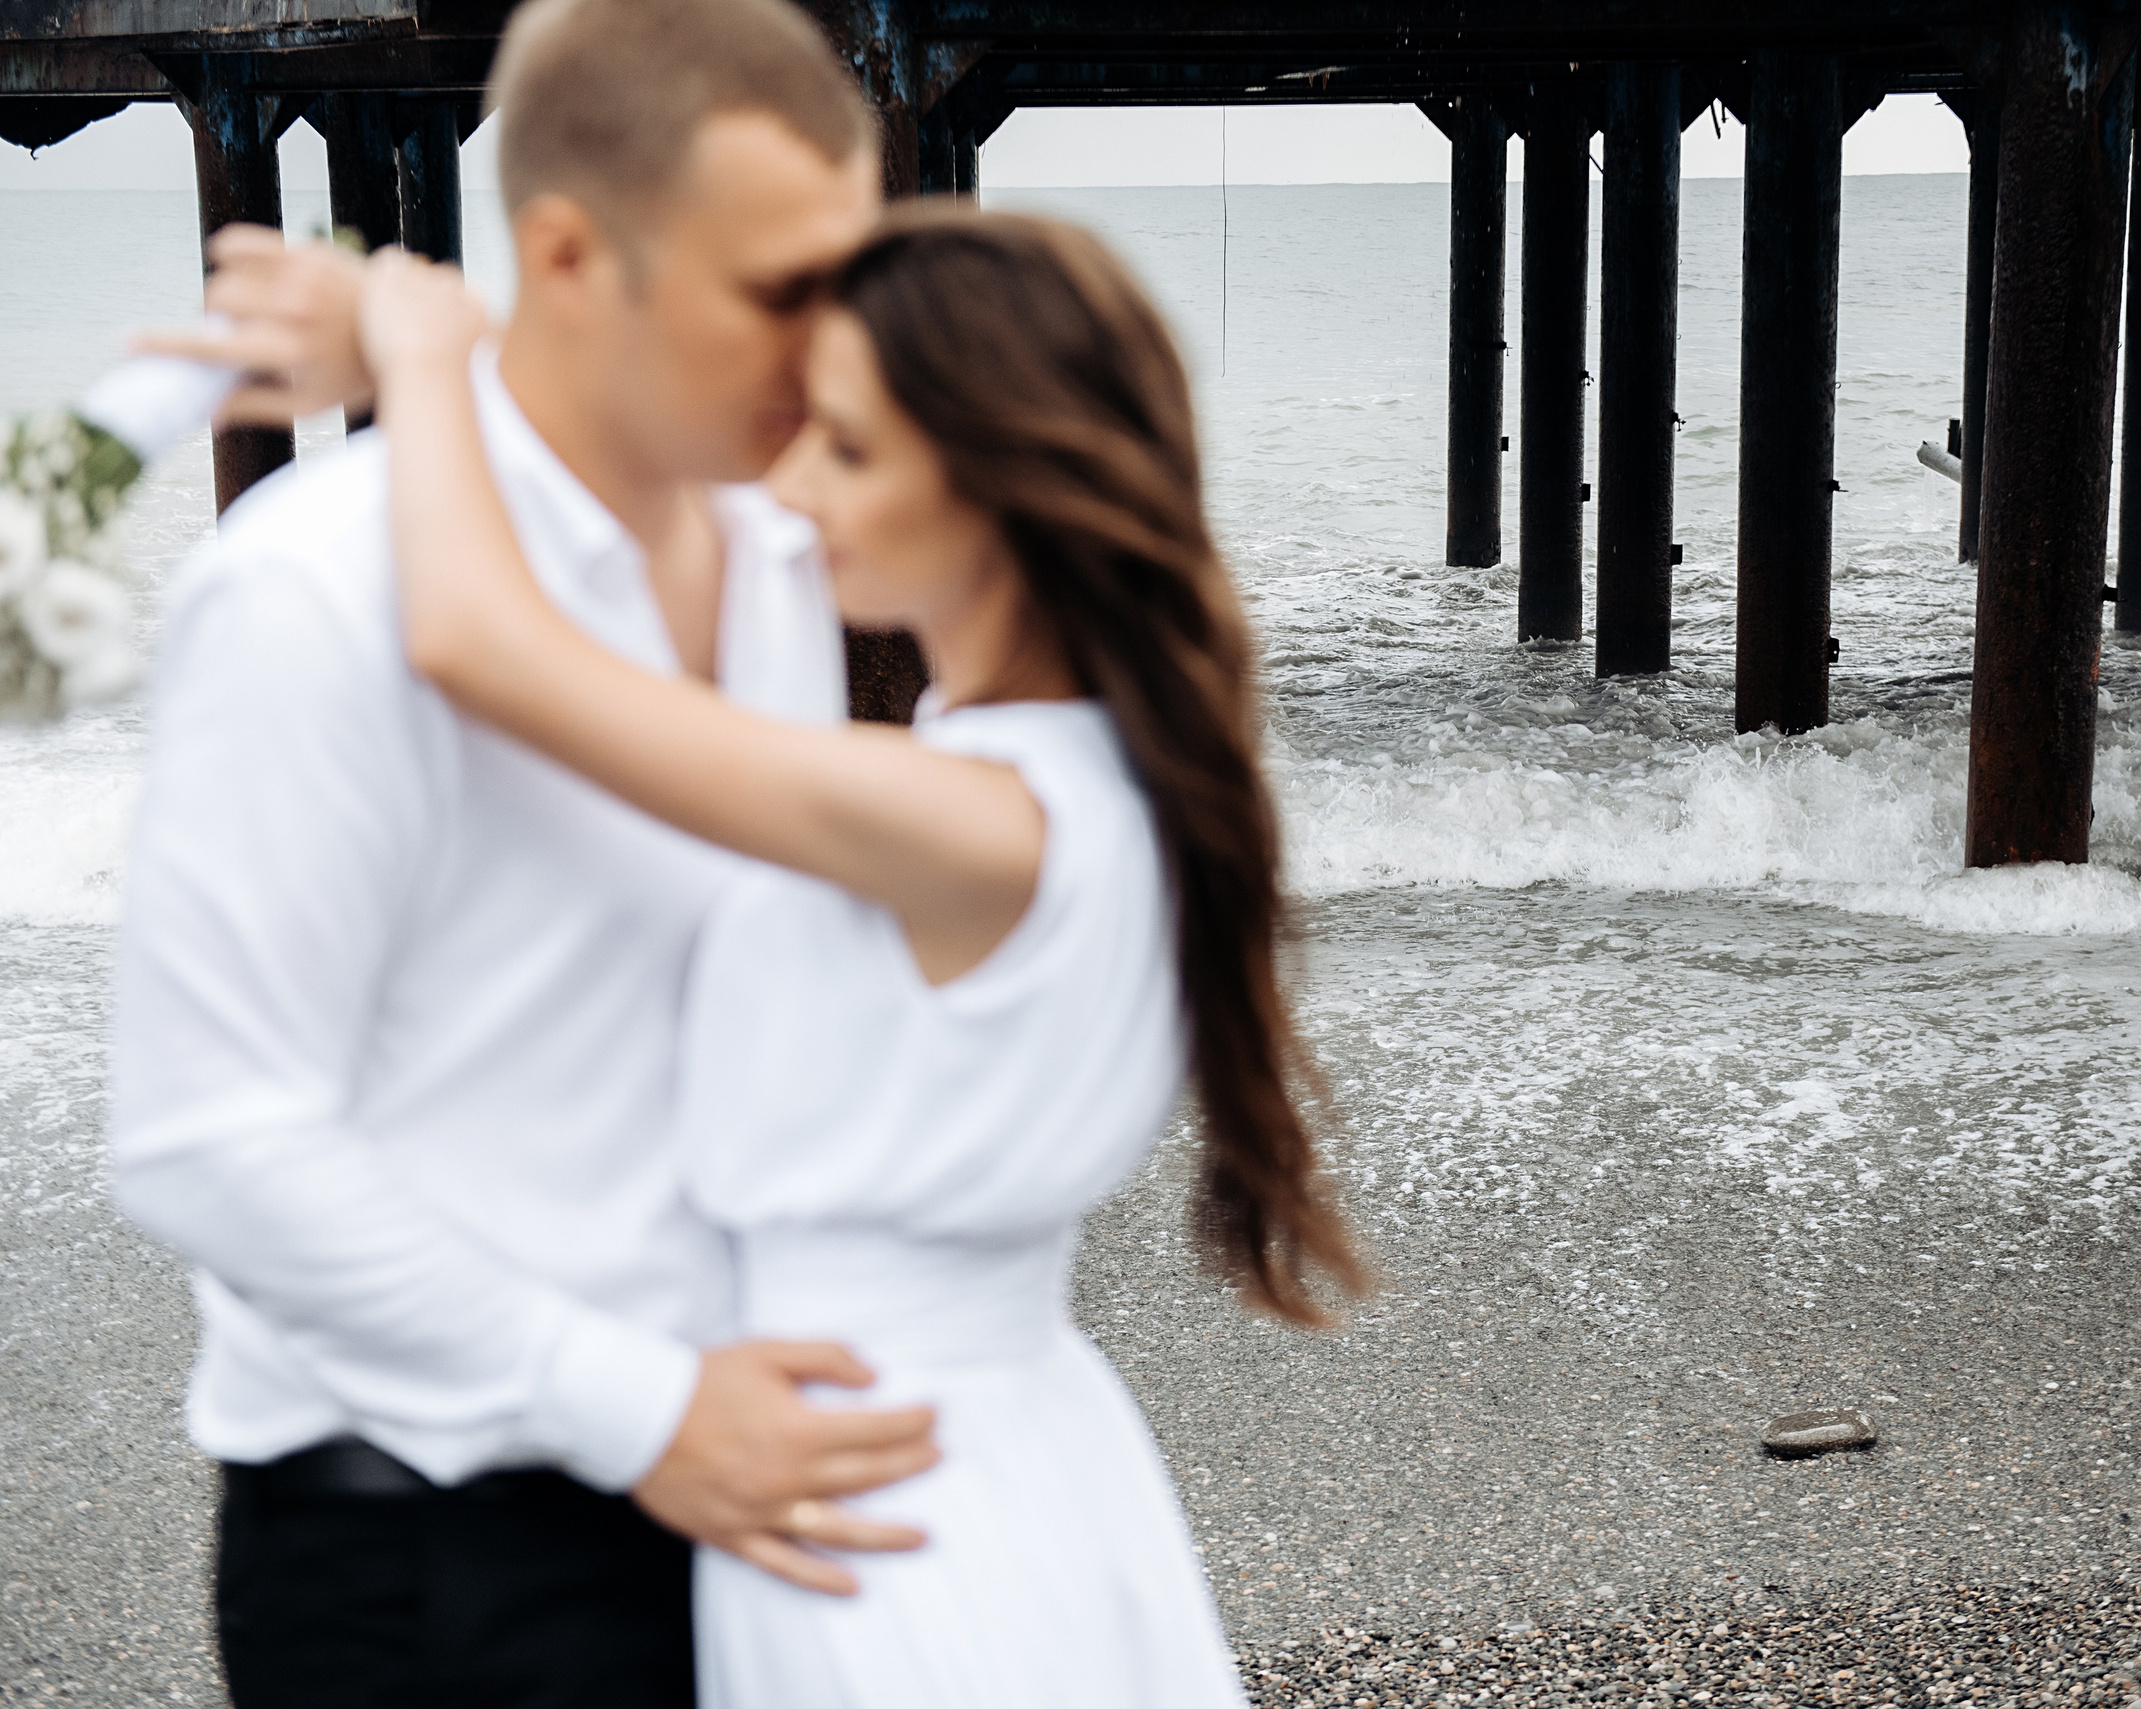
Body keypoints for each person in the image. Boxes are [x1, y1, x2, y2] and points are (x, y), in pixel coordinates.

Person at [350, 201, 1367, 1706]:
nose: (789, 484)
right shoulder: (1098, 785)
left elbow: (475, 646)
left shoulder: (966, 824)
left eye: (845, 447)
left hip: (879, 1504)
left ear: (1000, 484)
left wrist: (426, 361)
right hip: (1004, 1449)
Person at [112, 1, 938, 1702]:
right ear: (569, 258)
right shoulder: (314, 589)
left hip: (740, 1502)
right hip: (430, 1548)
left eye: (847, 279)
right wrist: (642, 1410)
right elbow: (203, 1138)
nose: (832, 346)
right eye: (777, 289)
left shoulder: (793, 554)